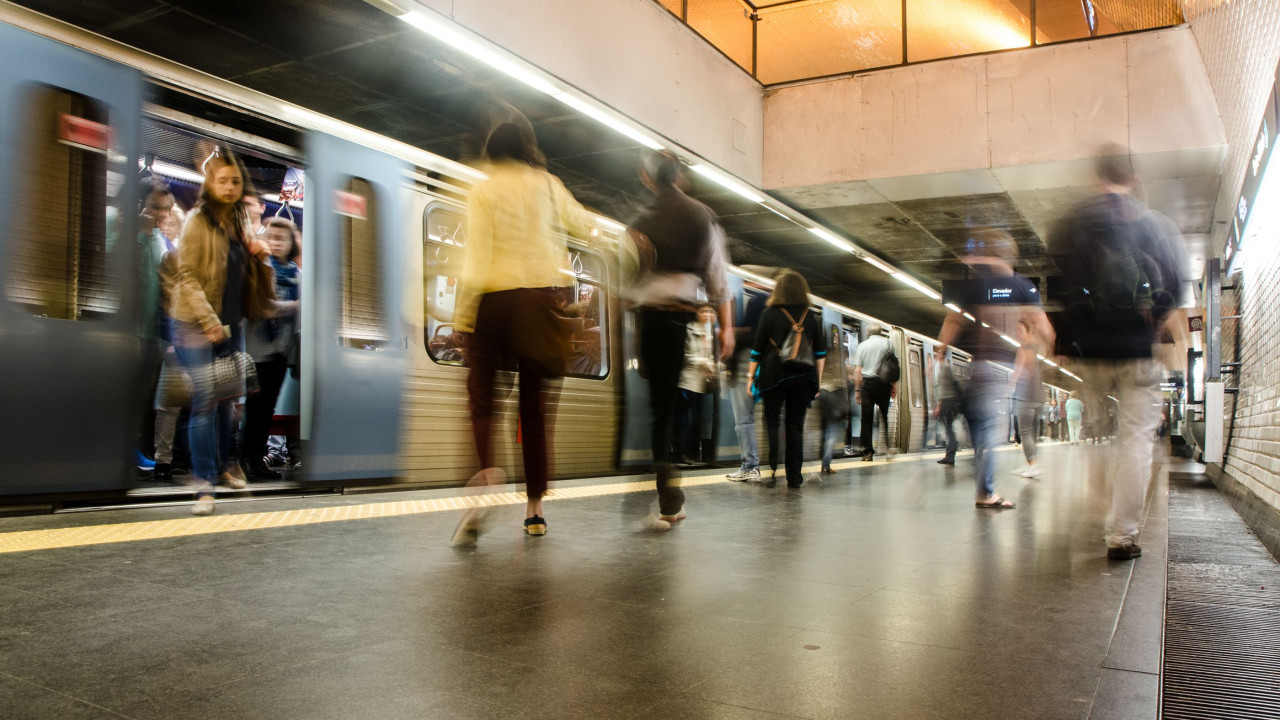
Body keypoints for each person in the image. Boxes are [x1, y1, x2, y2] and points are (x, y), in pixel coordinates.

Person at [451, 122, 591, 544]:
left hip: (494, 303)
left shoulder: (485, 190)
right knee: (532, 412)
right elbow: (583, 226)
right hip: (539, 303)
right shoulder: (549, 185)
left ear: (492, 152)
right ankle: (534, 511)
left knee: (481, 402)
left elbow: (475, 259)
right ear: (527, 148)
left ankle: (484, 483)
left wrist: (463, 317)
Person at [1049, 151, 1185, 559]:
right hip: (1135, 348)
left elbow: (1061, 288)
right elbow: (1174, 285)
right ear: (1133, 179)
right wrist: (1156, 323)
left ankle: (1096, 507)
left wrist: (1067, 345)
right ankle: (1120, 535)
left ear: (1096, 179)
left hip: (1091, 352)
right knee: (1135, 441)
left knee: (1094, 433)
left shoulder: (1071, 223)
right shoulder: (1152, 224)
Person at [628, 150, 734, 529]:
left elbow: (626, 280)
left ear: (646, 177)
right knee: (669, 412)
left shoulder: (638, 223)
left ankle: (667, 491)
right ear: (679, 176)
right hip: (679, 322)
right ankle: (670, 498)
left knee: (660, 412)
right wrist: (726, 329)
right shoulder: (701, 215)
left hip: (647, 322)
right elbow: (718, 280)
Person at [170, 147, 276, 515]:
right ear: (210, 184)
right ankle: (204, 486)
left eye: (235, 181)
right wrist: (209, 321)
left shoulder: (240, 221)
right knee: (203, 401)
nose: (229, 188)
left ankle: (222, 465)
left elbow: (241, 276)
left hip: (232, 323)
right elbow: (186, 276)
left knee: (228, 403)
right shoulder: (197, 220)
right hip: (194, 323)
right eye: (222, 181)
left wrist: (259, 258)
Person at [937, 229, 1054, 510]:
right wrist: (1044, 353)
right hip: (1000, 369)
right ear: (1011, 257)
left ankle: (979, 470)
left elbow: (954, 320)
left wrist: (941, 349)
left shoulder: (976, 286)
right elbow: (1046, 329)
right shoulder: (1024, 286)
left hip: (976, 366)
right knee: (990, 428)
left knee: (978, 424)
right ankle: (985, 490)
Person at [747, 270, 826, 488]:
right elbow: (820, 353)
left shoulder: (769, 314)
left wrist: (750, 377)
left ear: (778, 290)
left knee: (772, 421)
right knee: (795, 426)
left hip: (774, 375)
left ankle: (771, 467)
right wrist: (816, 382)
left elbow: (757, 350)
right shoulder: (809, 316)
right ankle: (794, 476)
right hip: (803, 377)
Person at [241, 218, 301, 481]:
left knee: (267, 409)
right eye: (272, 237)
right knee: (255, 409)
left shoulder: (297, 274)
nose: (276, 243)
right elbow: (261, 305)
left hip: (281, 349)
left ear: (291, 243)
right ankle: (247, 460)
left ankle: (257, 460)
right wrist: (294, 306)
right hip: (259, 348)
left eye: (282, 238)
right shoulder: (261, 266)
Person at [725, 284, 766, 482]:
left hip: (746, 366)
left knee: (743, 420)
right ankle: (753, 465)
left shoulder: (757, 302)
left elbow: (749, 333)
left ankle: (750, 466)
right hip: (764, 368)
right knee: (748, 419)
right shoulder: (773, 307)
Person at [675, 304, 719, 465]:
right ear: (696, 313)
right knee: (685, 418)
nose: (707, 314)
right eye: (703, 311)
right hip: (687, 380)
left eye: (710, 311)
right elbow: (684, 355)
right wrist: (704, 362)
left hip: (702, 382)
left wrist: (713, 366)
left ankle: (692, 453)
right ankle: (680, 453)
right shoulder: (689, 330)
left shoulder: (712, 333)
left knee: (698, 419)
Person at [1009, 318, 1045, 478]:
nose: (1017, 333)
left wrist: (1010, 385)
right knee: (1031, 433)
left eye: (1021, 330)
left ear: (1028, 332)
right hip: (1038, 397)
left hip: (1027, 397)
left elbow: (1019, 371)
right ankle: (1029, 464)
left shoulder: (1023, 349)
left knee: (1025, 431)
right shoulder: (1035, 349)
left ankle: (1033, 465)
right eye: (1016, 330)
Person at [853, 323, 895, 461]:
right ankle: (888, 449)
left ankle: (868, 452)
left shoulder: (862, 346)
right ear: (880, 332)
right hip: (884, 384)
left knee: (866, 419)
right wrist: (894, 386)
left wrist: (858, 390)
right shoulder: (888, 344)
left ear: (868, 333)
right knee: (884, 417)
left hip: (867, 385)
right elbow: (893, 366)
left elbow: (858, 370)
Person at [931, 346, 963, 466]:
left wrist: (939, 405)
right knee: (949, 428)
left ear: (941, 354)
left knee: (949, 429)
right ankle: (950, 453)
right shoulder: (946, 367)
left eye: (938, 353)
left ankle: (950, 454)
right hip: (950, 402)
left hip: (947, 402)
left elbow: (943, 389)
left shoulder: (944, 368)